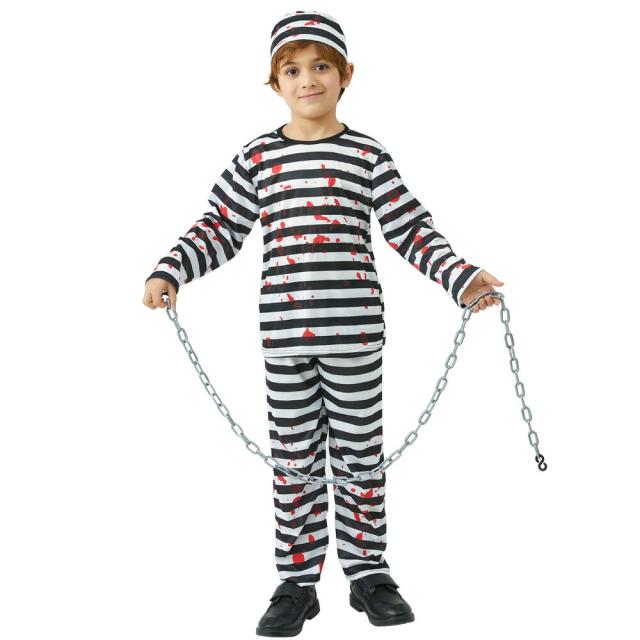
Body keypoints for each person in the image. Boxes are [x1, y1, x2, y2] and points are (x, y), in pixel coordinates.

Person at [143, 9, 504, 636]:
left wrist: (461, 277)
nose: (307, 79)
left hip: (356, 338)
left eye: (320, 67)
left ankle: (368, 573)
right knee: (295, 461)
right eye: (292, 70)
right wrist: (172, 269)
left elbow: (410, 228)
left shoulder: (367, 156)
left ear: (345, 75)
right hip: (285, 341)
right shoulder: (258, 158)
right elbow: (220, 227)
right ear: (275, 83)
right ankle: (297, 581)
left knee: (361, 456)